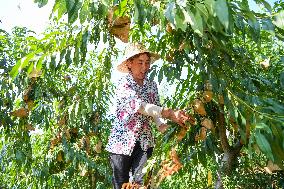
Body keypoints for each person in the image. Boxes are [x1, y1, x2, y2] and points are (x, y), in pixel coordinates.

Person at [106, 43, 195, 189]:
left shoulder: (151, 85)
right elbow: (140, 107)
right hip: (121, 143)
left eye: (147, 63)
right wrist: (170, 113)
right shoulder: (124, 84)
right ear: (129, 63)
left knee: (145, 184)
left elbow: (155, 110)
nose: (144, 67)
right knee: (121, 185)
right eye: (140, 63)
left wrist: (162, 126)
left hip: (144, 141)